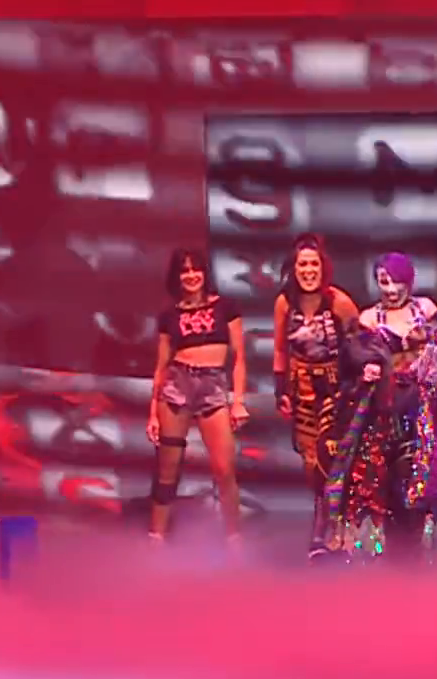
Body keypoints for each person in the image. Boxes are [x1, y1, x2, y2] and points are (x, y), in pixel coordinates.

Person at [321, 252, 437, 560]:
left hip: (425, 408)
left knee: (423, 471)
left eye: (396, 282)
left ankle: (424, 538)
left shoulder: (426, 309)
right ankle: (388, 545)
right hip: (385, 410)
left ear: (409, 281)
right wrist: (366, 369)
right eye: (383, 282)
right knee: (385, 475)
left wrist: (430, 345)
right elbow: (350, 363)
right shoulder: (368, 319)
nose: (390, 289)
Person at [146, 248, 248, 544]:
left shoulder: (226, 307)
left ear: (205, 273)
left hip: (213, 386)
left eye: (196, 269)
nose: (191, 276)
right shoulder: (169, 316)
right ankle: (156, 536)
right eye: (185, 270)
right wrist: (153, 413)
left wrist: (238, 401)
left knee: (224, 469)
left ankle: (234, 538)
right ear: (177, 277)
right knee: (167, 470)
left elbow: (239, 358)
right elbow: (161, 367)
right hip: (177, 386)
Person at [271, 233, 361, 560]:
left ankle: (334, 530)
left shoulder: (340, 302)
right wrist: (280, 390)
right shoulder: (285, 304)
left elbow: (361, 346)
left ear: (323, 267)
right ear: (294, 268)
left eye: (313, 264)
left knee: (335, 459)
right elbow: (280, 350)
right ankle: (323, 523)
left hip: (336, 392)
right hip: (303, 393)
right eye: (302, 264)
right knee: (312, 465)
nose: (308, 270)